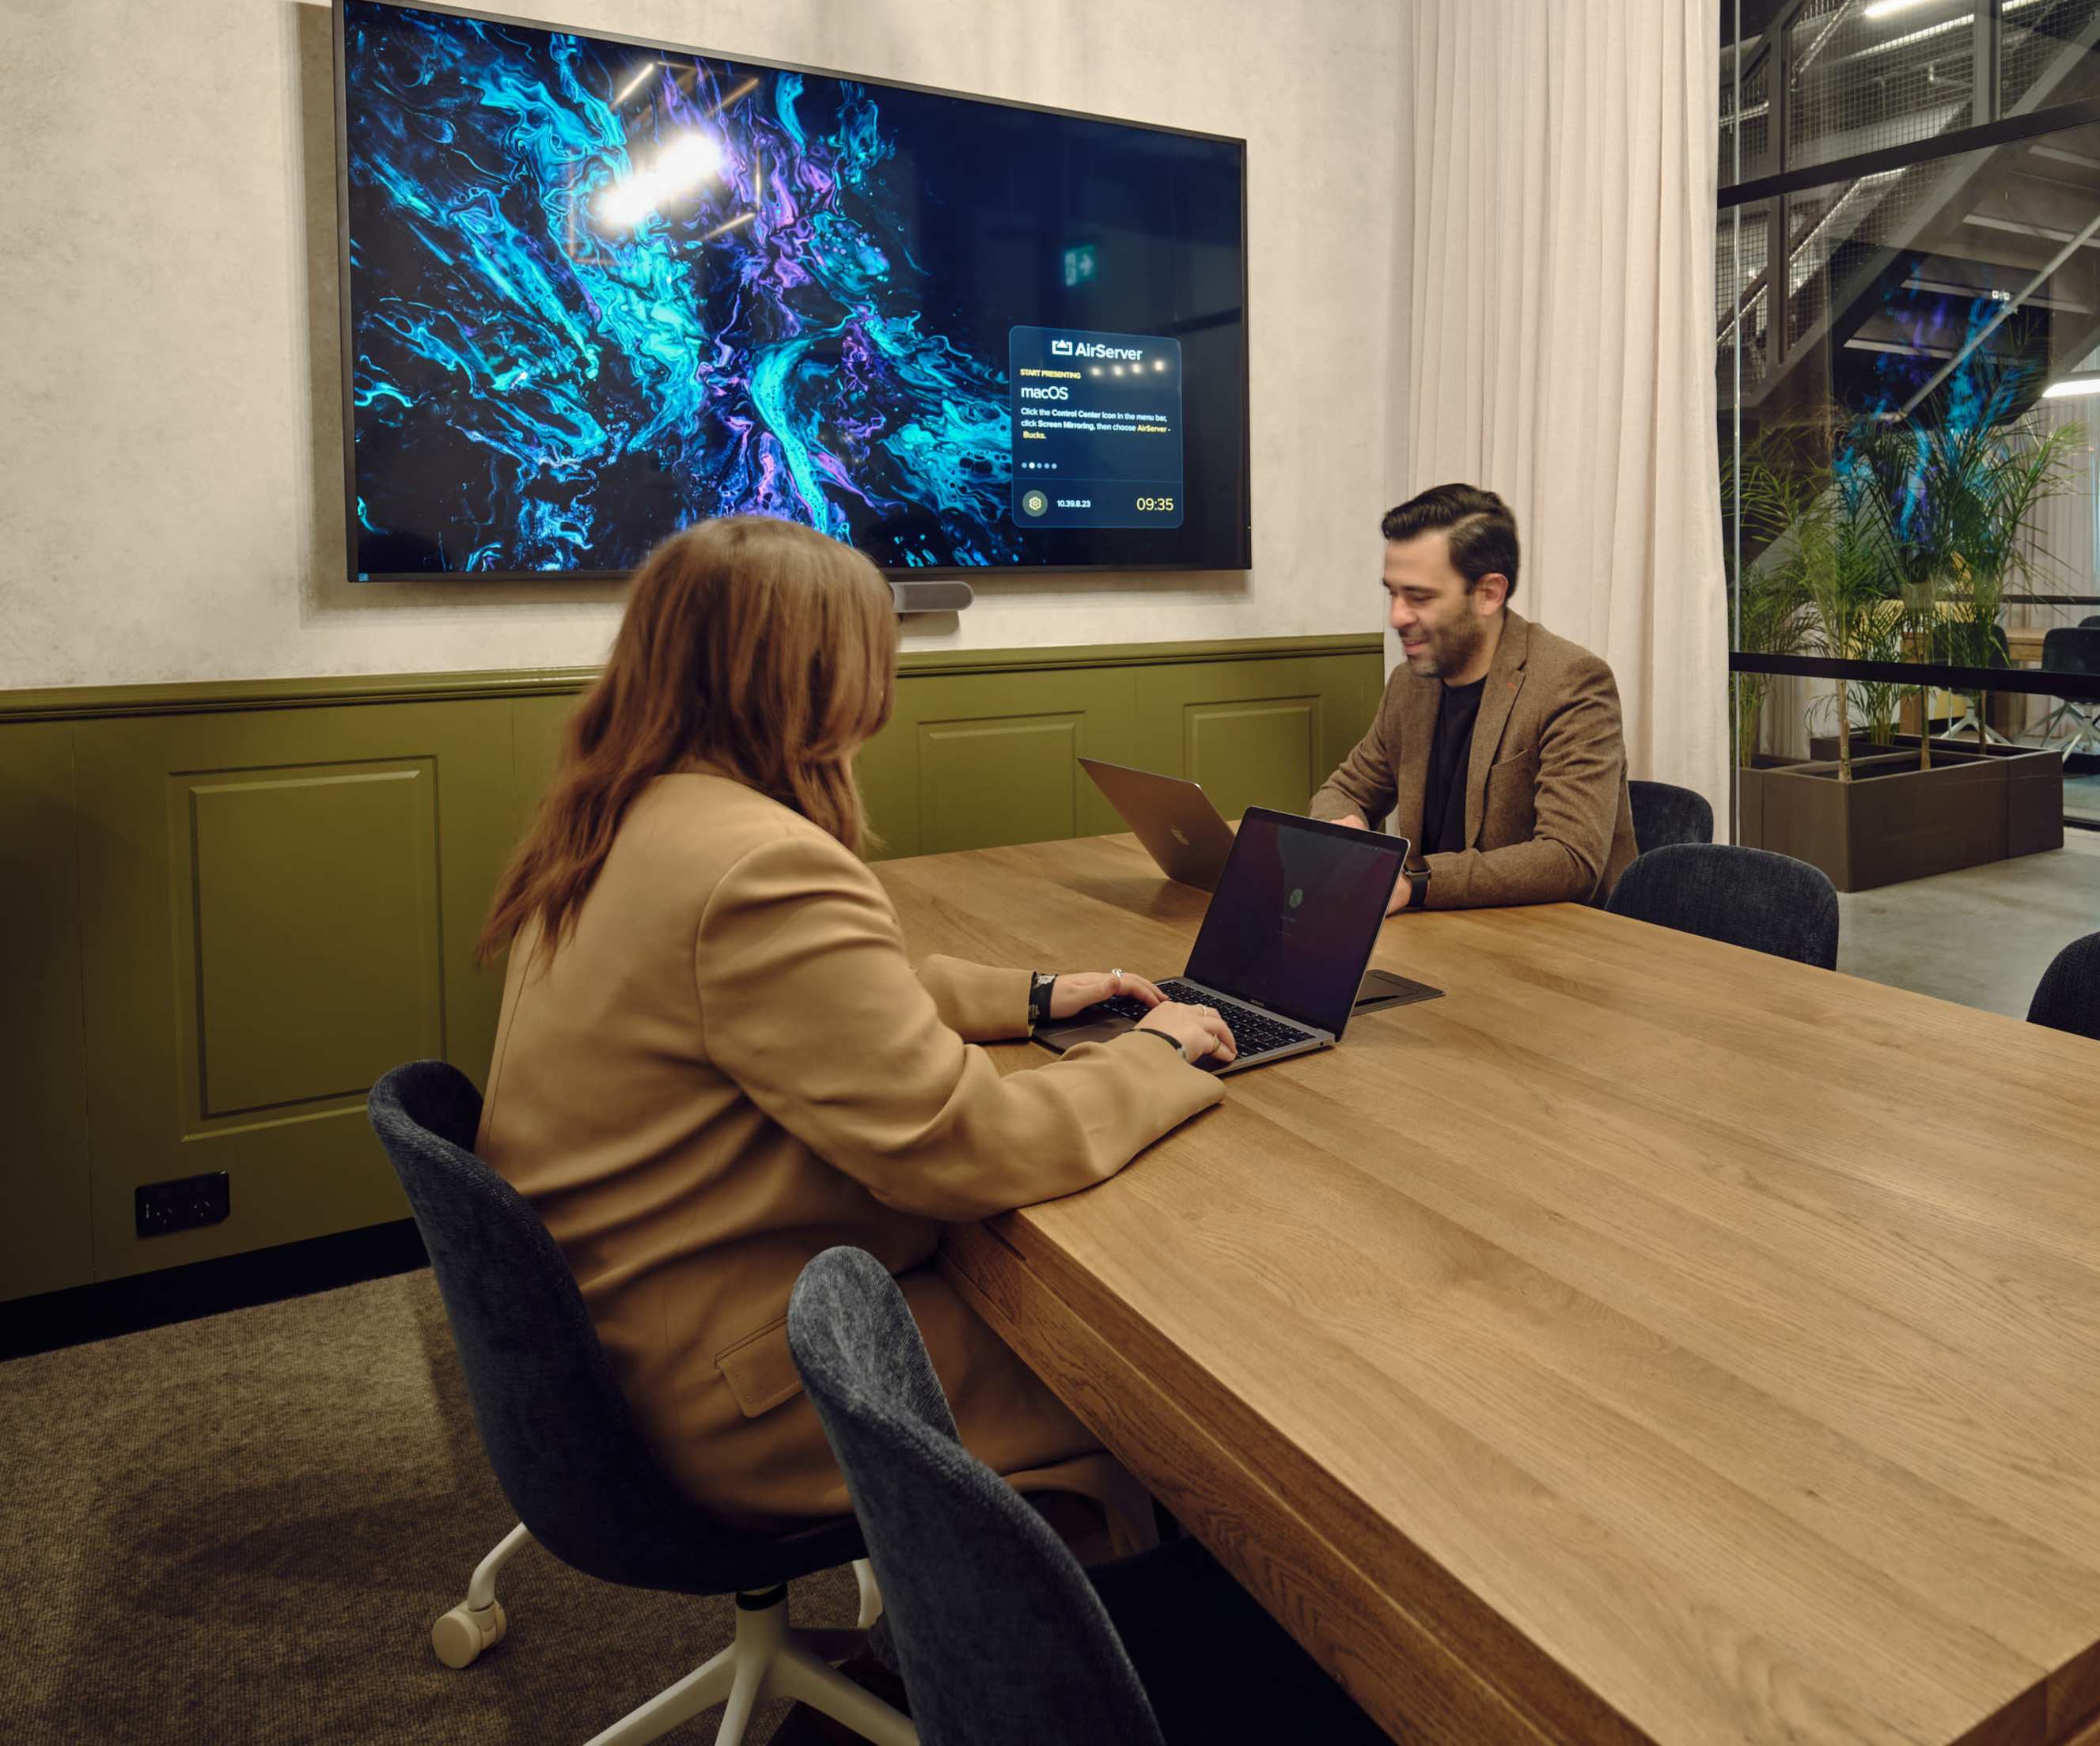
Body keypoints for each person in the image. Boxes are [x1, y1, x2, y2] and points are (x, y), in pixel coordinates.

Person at [471, 514, 1235, 1528]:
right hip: (751, 1379)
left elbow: (792, 1011)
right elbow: (972, 1147)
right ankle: (1024, 1671)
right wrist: (1157, 1050)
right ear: (821, 674)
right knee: (1172, 1396)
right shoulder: (760, 865)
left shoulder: (622, 816)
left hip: (632, 1331)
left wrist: (1039, 997)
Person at [1312, 483, 1639, 908]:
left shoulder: (1572, 681)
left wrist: (1414, 881)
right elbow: (1345, 789)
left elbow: (1569, 858)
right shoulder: (1410, 684)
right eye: (1393, 592)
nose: (1396, 616)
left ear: (1488, 594)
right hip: (1437, 934)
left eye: (1420, 596)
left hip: (1554, 947)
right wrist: (1345, 825)